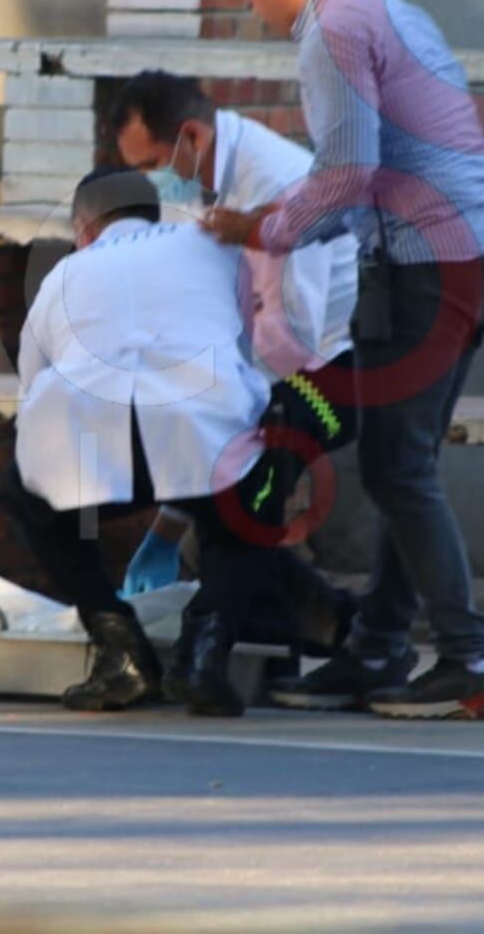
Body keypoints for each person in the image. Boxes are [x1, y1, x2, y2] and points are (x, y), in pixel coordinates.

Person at [205, 0, 484, 720]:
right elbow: (363, 177)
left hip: (433, 261)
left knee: (395, 468)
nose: (253, 8)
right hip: (469, 250)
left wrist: (265, 229)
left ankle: (472, 660)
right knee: (403, 463)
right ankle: (378, 650)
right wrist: (288, 219)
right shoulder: (388, 9)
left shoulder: (332, 31)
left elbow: (348, 173)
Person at [0, 168, 348, 717]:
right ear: (152, 213)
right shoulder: (212, 245)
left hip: (83, 434)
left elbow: (29, 395)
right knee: (250, 503)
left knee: (23, 493)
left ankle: (119, 649)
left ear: (83, 228)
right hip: (205, 429)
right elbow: (256, 346)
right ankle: (205, 651)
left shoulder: (62, 276)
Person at [110, 71, 360, 600]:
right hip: (267, 368)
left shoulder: (278, 185)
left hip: (330, 378)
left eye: (152, 165)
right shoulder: (205, 182)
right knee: (224, 490)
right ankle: (302, 625)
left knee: (247, 496)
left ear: (193, 137)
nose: (151, 181)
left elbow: (294, 340)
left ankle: (248, 635)